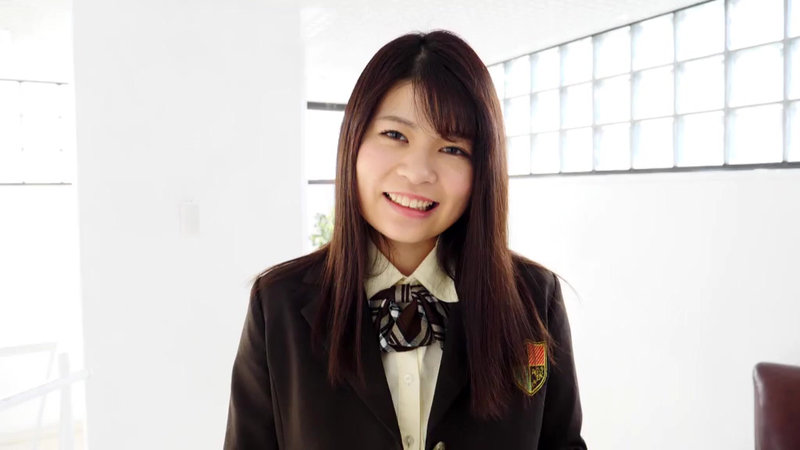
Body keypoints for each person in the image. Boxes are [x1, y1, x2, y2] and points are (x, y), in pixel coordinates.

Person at [224, 30, 586, 450]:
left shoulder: (534, 298)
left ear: (482, 168)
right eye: (395, 135)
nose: (418, 172)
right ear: (353, 141)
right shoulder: (278, 305)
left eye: (452, 148)